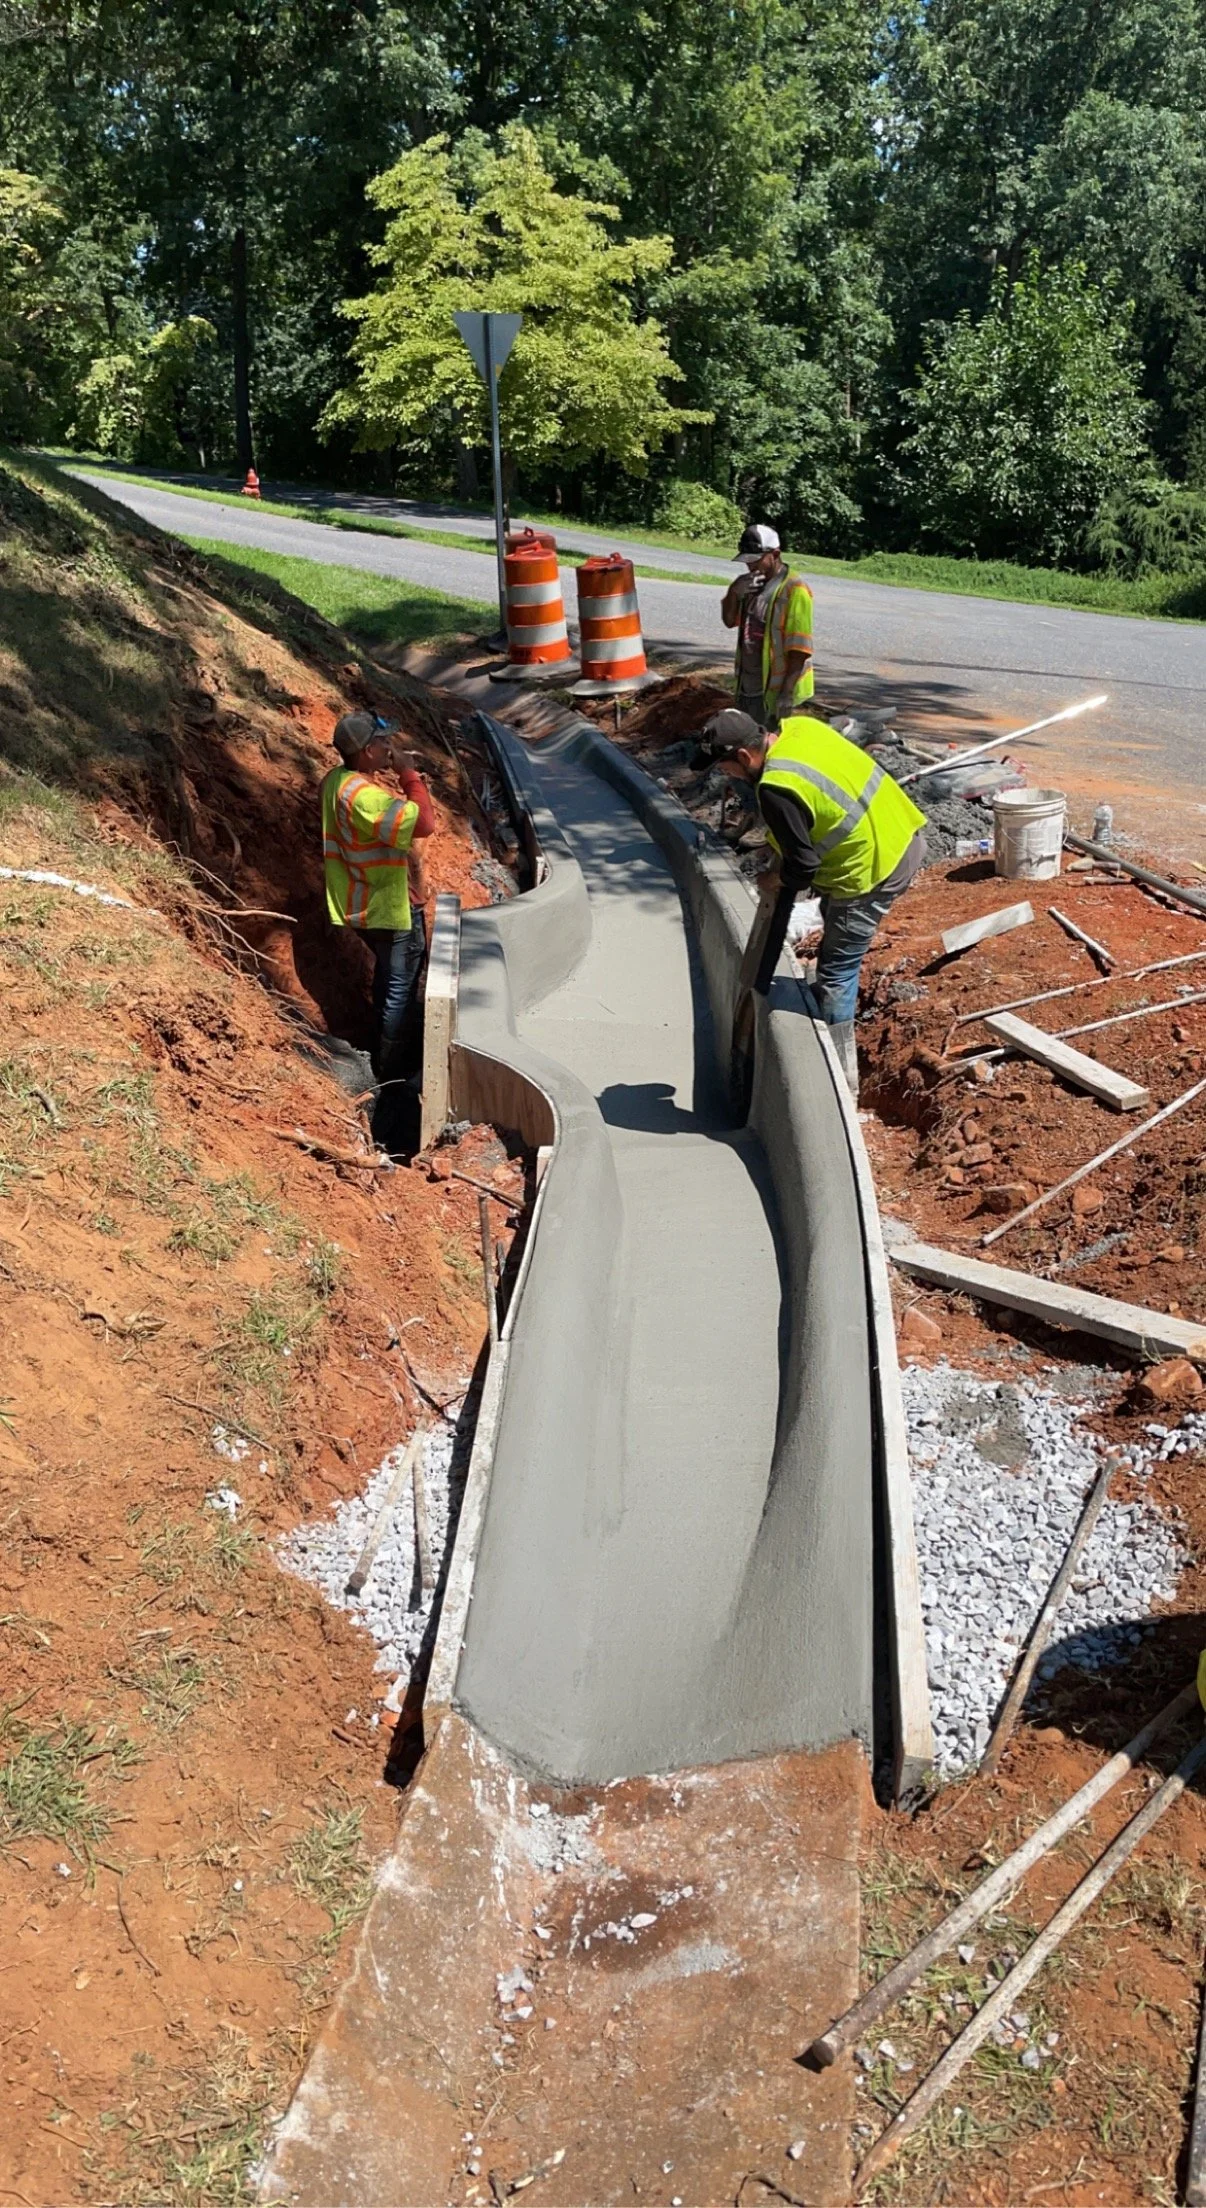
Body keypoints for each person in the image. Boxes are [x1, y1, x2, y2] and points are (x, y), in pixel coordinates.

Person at [700, 705, 927, 1095]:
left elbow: (802, 866)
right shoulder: (801, 730)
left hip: (872, 870)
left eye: (725, 768)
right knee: (831, 924)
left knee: (837, 971)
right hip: (900, 834)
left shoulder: (776, 787)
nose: (726, 776)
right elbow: (812, 817)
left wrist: (776, 875)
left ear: (743, 756)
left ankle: (839, 1080)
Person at [321, 710, 435, 1079]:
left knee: (389, 978)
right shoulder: (364, 796)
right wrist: (408, 775)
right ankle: (394, 1075)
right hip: (389, 905)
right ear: (367, 750)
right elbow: (424, 824)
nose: (390, 748)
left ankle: (385, 1054)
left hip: (360, 901)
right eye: (384, 742)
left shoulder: (335, 780)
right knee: (401, 990)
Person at [720, 522, 814, 727]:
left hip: (776, 691)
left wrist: (787, 693)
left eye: (756, 560)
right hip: (748, 684)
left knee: (767, 743)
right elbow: (729, 621)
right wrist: (734, 592)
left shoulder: (794, 590)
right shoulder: (750, 584)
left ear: (775, 554)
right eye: (747, 562)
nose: (751, 566)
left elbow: (799, 648)